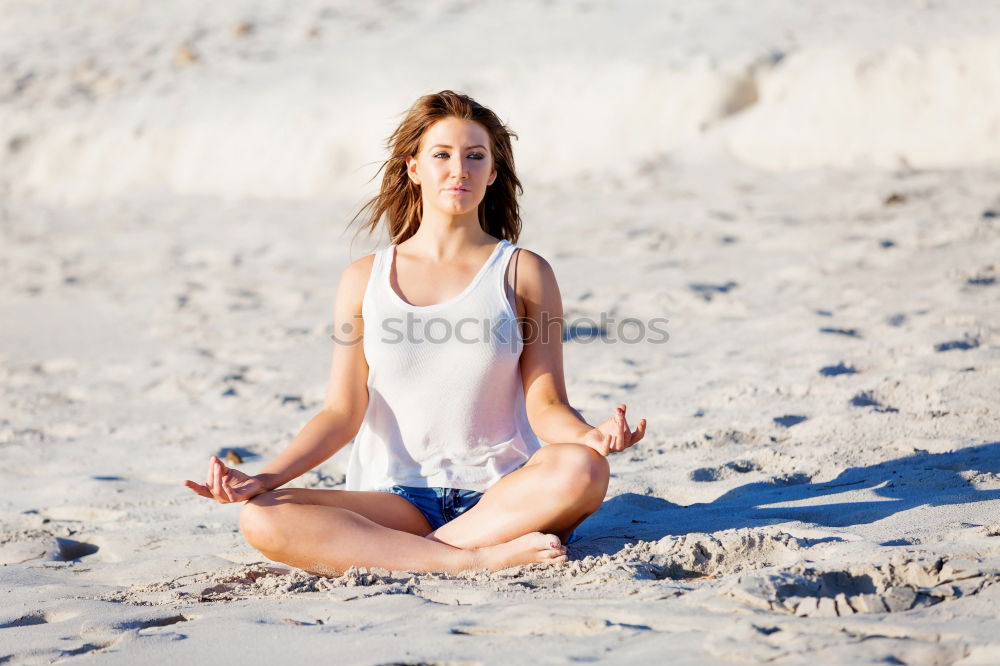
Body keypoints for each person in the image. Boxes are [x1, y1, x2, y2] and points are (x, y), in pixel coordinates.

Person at [184, 90, 646, 575]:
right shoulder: (365, 279)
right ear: (413, 168)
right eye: (442, 155)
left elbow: (546, 402)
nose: (459, 169)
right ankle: (472, 560)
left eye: (475, 156)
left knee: (584, 468)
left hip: (506, 496)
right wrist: (265, 477)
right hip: (395, 500)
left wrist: (589, 435)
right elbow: (342, 412)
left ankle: (414, 556)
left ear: (492, 172)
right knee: (262, 517)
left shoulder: (522, 272)